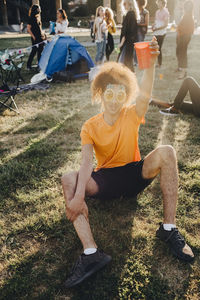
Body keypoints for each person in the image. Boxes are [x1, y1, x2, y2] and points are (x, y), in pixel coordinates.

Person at [61, 38, 194, 289]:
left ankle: (168, 228)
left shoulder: (131, 113)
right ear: (101, 93)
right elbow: (87, 161)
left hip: (135, 175)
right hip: (105, 180)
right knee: (68, 178)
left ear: (126, 95)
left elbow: (145, 92)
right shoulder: (90, 126)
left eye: (120, 93)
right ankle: (91, 254)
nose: (114, 99)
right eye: (109, 93)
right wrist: (78, 196)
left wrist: (151, 64)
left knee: (167, 150)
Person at [118, 0, 139, 72]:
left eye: (125, 4)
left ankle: (131, 77)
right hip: (131, 41)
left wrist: (121, 43)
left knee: (127, 61)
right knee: (128, 60)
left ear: (130, 4)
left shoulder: (129, 15)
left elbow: (125, 31)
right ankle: (131, 76)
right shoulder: (133, 14)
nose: (124, 5)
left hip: (128, 42)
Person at [176, 0, 194, 80]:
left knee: (183, 53)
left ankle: (184, 72)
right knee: (179, 51)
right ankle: (180, 67)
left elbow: (189, 29)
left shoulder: (189, 16)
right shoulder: (185, 15)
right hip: (181, 36)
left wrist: (179, 29)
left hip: (185, 36)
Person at [27, 4, 46, 70]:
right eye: (38, 9)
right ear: (35, 9)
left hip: (41, 37)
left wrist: (43, 34)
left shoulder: (37, 17)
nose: (39, 10)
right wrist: (33, 37)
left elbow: (39, 28)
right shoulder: (31, 18)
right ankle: (28, 65)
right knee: (34, 51)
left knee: (40, 51)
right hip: (35, 38)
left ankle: (39, 65)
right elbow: (28, 29)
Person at [152, 0, 169, 67]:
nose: (158, 4)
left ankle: (159, 63)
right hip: (156, 32)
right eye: (157, 3)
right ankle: (157, 63)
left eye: (159, 3)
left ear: (163, 3)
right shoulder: (157, 12)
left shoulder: (166, 12)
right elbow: (156, 21)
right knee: (155, 47)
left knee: (159, 48)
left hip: (162, 33)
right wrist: (153, 26)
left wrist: (157, 28)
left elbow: (165, 24)